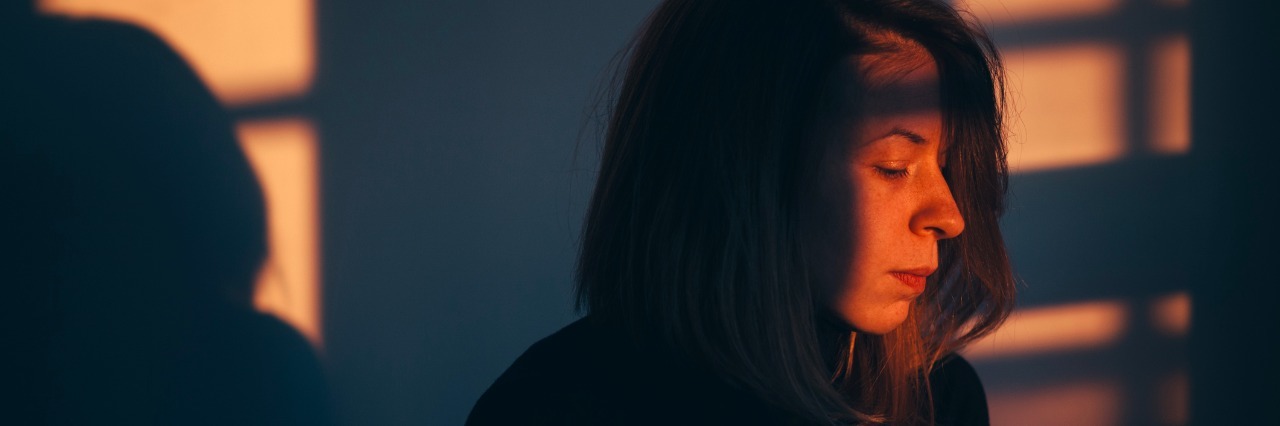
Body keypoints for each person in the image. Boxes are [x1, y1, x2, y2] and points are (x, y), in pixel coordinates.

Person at [467, 0, 1014, 424]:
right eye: (895, 166)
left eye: (943, 166)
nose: (950, 216)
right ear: (746, 168)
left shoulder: (937, 402)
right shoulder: (550, 409)